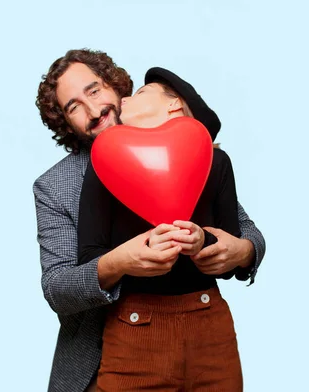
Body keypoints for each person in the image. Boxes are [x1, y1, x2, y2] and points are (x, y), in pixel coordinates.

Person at [34, 49, 266, 392]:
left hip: (202, 334)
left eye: (94, 91)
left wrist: (244, 251)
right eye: (73, 107)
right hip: (101, 357)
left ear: (115, 87)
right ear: (66, 123)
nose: (92, 109)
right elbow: (57, 287)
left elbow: (243, 230)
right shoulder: (55, 186)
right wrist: (120, 262)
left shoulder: (184, 150)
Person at [78, 67, 247, 391]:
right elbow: (89, 258)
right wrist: (127, 259)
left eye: (141, 93)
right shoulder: (104, 161)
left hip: (211, 327)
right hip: (133, 330)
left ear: (173, 105)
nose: (124, 99)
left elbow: (231, 255)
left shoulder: (217, 162)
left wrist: (200, 241)